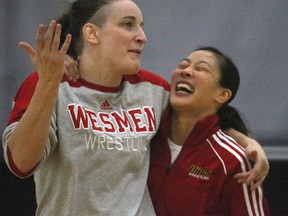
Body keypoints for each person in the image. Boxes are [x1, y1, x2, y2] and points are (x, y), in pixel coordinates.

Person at [2, 0, 268, 215]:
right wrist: (48, 82)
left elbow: (197, 119)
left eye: (141, 26)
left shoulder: (153, 90)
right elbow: (21, 164)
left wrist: (247, 142)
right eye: (128, 25)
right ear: (92, 33)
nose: (142, 36)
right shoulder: (47, 83)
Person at [147, 47, 270, 215]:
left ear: (222, 95)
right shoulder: (145, 138)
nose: (186, 71)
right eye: (183, 66)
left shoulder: (233, 162)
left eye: (201, 69)